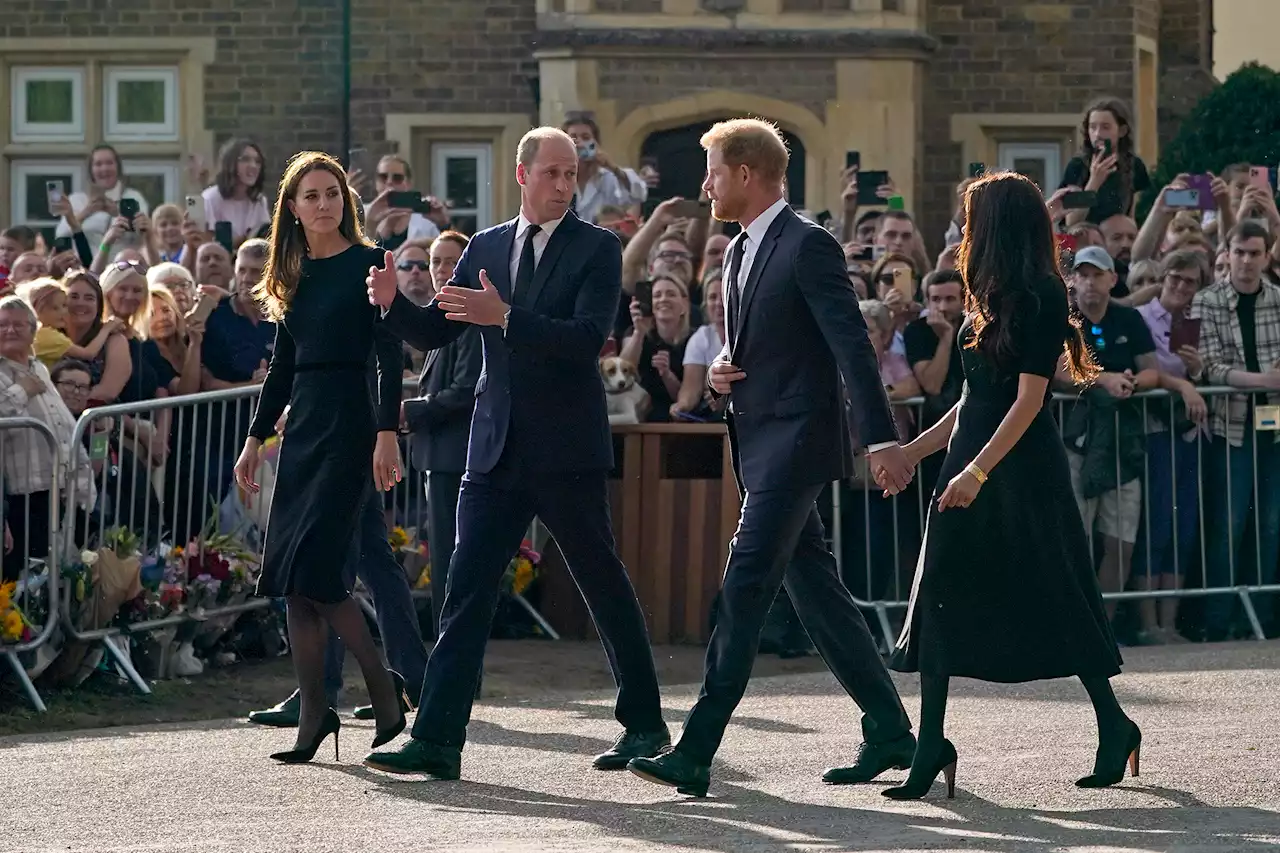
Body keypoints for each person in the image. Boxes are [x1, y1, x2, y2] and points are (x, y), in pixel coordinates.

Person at [362, 126, 667, 781]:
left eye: (572, 174)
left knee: (602, 584)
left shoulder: (597, 248)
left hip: (566, 451)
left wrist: (504, 317)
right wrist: (393, 308)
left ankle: (645, 723)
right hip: (494, 450)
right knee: (465, 593)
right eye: (552, 173)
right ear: (523, 175)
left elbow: (586, 340)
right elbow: (440, 329)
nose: (564, 184)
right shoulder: (488, 245)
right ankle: (438, 738)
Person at [626, 118, 917, 798]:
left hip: (798, 447)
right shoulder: (735, 251)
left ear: (748, 176)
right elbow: (771, 345)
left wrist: (880, 440)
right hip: (759, 440)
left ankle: (697, 747)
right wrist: (729, 369)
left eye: (715, 172)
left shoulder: (809, 245)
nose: (706, 185)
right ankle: (890, 728)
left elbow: (850, 346)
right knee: (820, 597)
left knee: (744, 588)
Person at [887, 171, 1137, 800]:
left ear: (996, 224)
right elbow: (974, 400)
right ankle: (930, 744)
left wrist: (976, 471)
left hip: (1021, 471)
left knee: (1056, 593)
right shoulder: (986, 298)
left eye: (973, 217)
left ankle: (1114, 723)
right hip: (971, 463)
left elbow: (1028, 401)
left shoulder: (1042, 296)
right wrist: (915, 452)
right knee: (938, 597)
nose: (965, 229)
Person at [231, 151, 408, 764]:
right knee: (294, 584)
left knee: (323, 576)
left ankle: (383, 690)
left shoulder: (369, 264)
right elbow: (282, 365)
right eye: (311, 195)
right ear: (293, 207)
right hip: (303, 427)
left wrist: (386, 432)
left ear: (345, 201)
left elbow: (391, 357)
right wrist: (255, 440)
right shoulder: (293, 274)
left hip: (351, 425)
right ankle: (315, 714)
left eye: (333, 192)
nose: (325, 203)